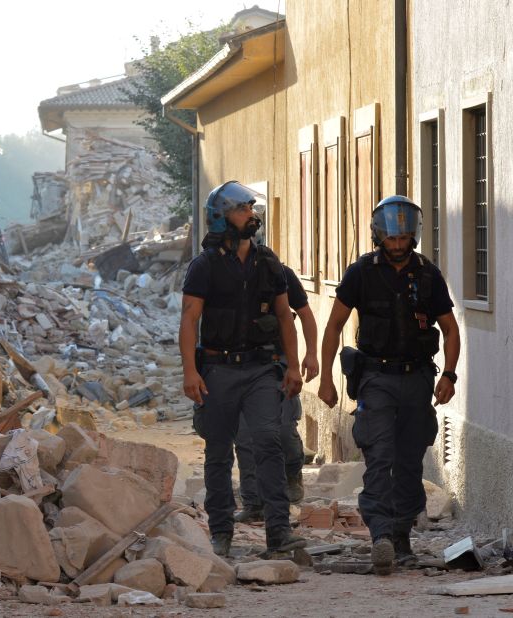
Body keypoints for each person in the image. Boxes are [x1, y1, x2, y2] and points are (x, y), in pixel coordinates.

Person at [317, 195, 460, 575]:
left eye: (404, 239)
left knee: (410, 460)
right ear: (379, 236)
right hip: (376, 378)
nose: (398, 246)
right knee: (379, 456)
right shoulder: (361, 273)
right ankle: (380, 535)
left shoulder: (428, 275)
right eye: (391, 239)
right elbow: (333, 325)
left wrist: (449, 373)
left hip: (417, 380)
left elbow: (449, 327)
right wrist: (327, 378)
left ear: (413, 236)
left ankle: (401, 537)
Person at [180, 180, 305, 557]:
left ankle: (278, 532)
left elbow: (286, 317)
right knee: (218, 451)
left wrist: (294, 366)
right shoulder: (204, 267)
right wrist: (190, 372)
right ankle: (221, 531)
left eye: (251, 208)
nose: (251, 215)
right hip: (217, 370)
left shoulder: (269, 263)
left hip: (261, 369)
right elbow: (189, 320)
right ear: (221, 218)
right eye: (242, 209)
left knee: (268, 442)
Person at [234, 262, 318, 523]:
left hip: (275, 362)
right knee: (245, 435)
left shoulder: (277, 273)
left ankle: (293, 472)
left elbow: (304, 313)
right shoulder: (215, 271)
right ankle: (253, 502)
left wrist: (311, 354)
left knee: (282, 428)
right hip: (236, 365)